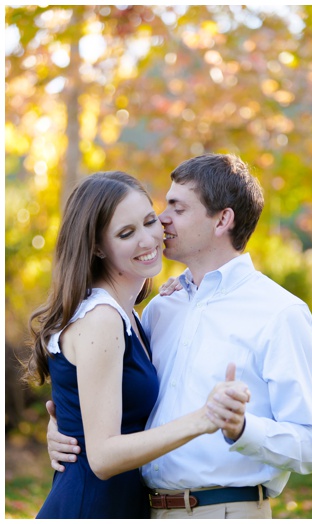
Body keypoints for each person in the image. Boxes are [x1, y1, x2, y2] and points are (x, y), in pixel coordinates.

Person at [47, 153, 312, 519]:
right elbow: (116, 401)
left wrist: (242, 427)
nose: (162, 221)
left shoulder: (279, 313)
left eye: (177, 208)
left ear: (222, 220)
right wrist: (65, 431)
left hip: (224, 510)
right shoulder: (159, 310)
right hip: (143, 509)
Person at [25, 172, 247, 518]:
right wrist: (204, 419)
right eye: (126, 233)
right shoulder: (102, 319)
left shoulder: (130, 316)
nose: (148, 240)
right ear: (97, 246)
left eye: (149, 222)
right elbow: (102, 457)